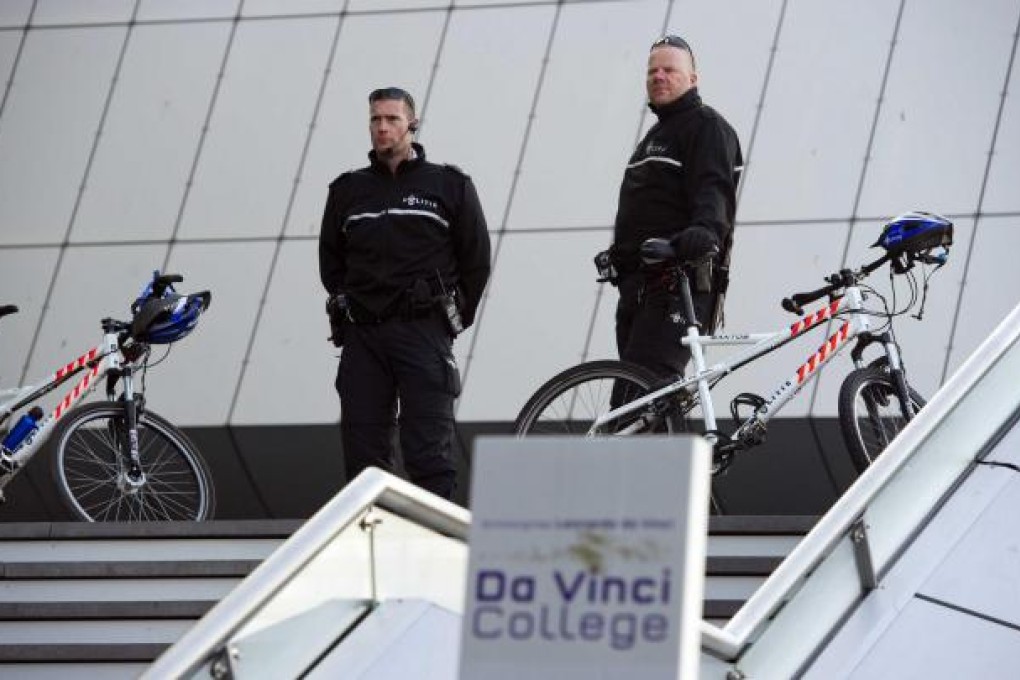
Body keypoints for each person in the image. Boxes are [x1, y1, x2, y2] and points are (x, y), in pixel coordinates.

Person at [318, 87, 491, 500]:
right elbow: (330, 262)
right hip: (364, 335)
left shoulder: (449, 185)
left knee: (429, 450)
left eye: (392, 119)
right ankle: (375, 548)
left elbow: (477, 260)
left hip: (423, 331)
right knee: (363, 455)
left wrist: (451, 318)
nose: (382, 127)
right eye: (375, 120)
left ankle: (438, 550)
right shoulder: (347, 190)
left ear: (412, 124)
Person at [606, 35, 743, 379]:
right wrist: (617, 255)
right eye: (652, 71)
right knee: (641, 402)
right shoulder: (654, 138)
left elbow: (714, 187)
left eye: (669, 70)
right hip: (638, 288)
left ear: (692, 79)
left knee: (640, 395)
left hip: (678, 283)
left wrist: (706, 230)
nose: (659, 76)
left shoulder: (706, 126)